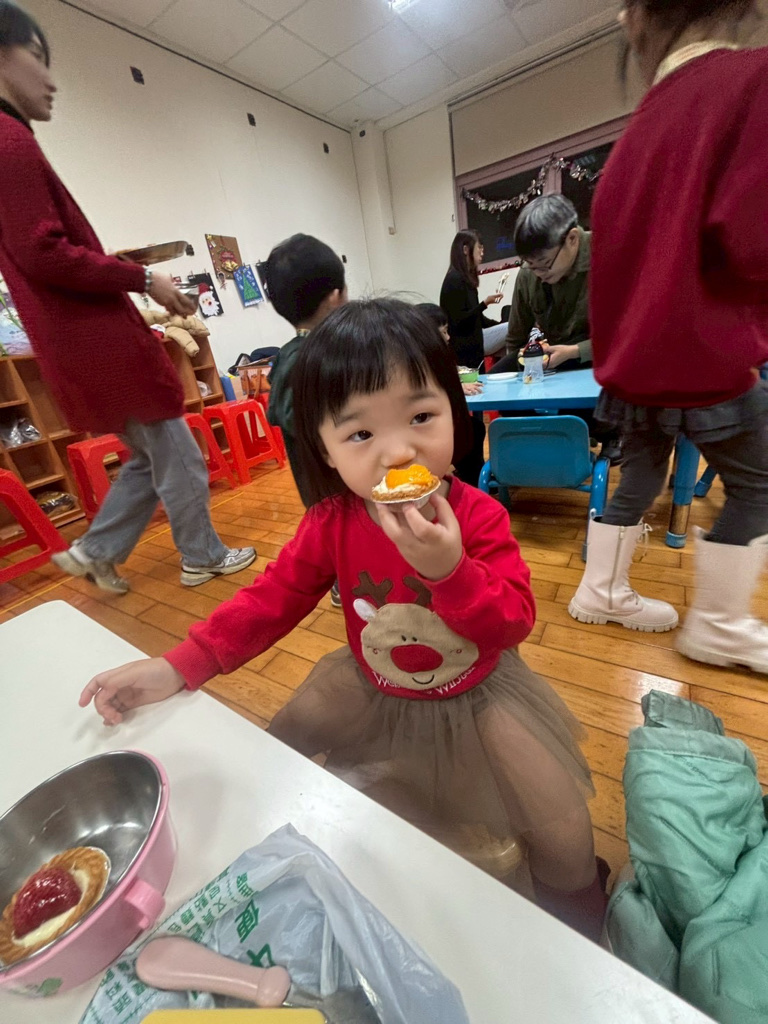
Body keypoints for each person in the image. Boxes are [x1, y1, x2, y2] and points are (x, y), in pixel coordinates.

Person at [80, 298, 608, 941]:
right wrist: (178, 664)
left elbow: (514, 622)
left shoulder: (478, 515)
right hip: (370, 683)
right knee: (279, 746)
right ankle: (264, 856)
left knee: (557, 819)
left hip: (481, 692)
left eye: (421, 416)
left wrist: (450, 571)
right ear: (326, 451)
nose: (398, 451)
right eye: (360, 434)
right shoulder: (331, 524)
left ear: (456, 412)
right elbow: (269, 600)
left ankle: (584, 919)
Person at [0, 2, 254, 593]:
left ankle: (97, 550)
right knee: (179, 453)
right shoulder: (9, 141)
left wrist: (124, 269)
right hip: (98, 342)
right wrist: (142, 277)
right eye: (37, 57)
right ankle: (202, 556)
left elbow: (39, 253)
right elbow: (46, 252)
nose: (51, 80)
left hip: (76, 343)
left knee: (149, 456)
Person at [569, 0, 768, 674]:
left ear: (637, 19)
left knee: (641, 478)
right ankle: (720, 624)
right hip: (703, 353)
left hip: (635, 365)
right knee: (760, 483)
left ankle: (600, 591)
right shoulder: (750, 81)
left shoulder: (633, 136)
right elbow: (752, 245)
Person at [494, 194, 621, 461]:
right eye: (531, 266)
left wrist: (574, 351)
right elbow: (516, 337)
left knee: (587, 385)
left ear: (572, 239)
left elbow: (626, 337)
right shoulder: (529, 273)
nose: (538, 274)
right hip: (553, 354)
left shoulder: (609, 255)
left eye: (545, 265)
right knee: (498, 379)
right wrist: (522, 365)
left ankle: (611, 433)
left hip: (602, 352)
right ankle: (547, 437)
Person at [262, 233, 347, 606]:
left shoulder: (288, 356)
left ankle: (343, 577)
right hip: (340, 488)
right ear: (335, 297)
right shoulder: (320, 358)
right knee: (347, 534)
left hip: (318, 492)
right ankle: (346, 580)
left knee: (336, 532)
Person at [416, 302, 487, 486]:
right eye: (443, 332)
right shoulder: (415, 359)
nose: (448, 337)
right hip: (423, 426)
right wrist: (456, 387)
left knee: (474, 427)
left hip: (433, 421)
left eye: (447, 331)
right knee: (470, 430)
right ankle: (473, 479)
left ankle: (472, 476)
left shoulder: (433, 354)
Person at [439, 230, 506, 368]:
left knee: (512, 327)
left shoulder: (465, 279)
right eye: (479, 247)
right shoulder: (454, 279)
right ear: (465, 250)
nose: (482, 252)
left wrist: (499, 324)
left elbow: (478, 319)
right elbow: (459, 321)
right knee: (514, 329)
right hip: (465, 344)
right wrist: (484, 304)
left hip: (474, 340)